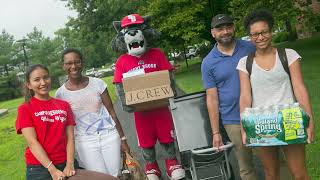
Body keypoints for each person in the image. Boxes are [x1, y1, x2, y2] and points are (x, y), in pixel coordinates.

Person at [201, 14, 293, 180]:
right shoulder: (208, 62)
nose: (225, 31)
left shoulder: (250, 47)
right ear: (213, 33)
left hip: (261, 114)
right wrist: (216, 132)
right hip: (232, 120)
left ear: (234, 28)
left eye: (228, 27)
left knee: (276, 162)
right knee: (246, 167)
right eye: (220, 29)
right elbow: (212, 98)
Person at [237, 9, 315, 180]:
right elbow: (245, 97)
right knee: (271, 174)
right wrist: (244, 128)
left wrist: (309, 120)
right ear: (250, 37)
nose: (260, 37)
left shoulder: (289, 55)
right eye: (255, 34)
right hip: (261, 124)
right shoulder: (245, 63)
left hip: (290, 120)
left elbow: (300, 88)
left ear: (271, 31)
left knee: (300, 173)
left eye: (264, 32)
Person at [112, 14, 185, 180]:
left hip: (161, 109)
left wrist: (171, 94)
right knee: (145, 140)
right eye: (128, 31)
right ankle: (151, 166)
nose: (132, 34)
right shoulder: (122, 61)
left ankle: (171, 162)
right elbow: (119, 85)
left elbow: (169, 76)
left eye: (137, 29)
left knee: (167, 135)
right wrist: (126, 104)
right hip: (141, 113)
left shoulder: (157, 54)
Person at [55, 48, 130, 177]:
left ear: (82, 63)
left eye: (77, 62)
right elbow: (64, 126)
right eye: (69, 63)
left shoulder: (98, 84)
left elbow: (112, 112)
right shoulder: (61, 94)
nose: (73, 66)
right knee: (99, 177)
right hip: (85, 141)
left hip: (109, 136)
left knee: (115, 174)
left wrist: (123, 140)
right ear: (63, 66)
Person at [16, 64, 77, 180]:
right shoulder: (25, 109)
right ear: (29, 85)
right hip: (39, 168)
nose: (43, 82)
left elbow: (70, 138)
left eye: (46, 77)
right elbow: (32, 142)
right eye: (37, 80)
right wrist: (52, 169)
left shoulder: (64, 105)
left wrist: (70, 164)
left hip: (66, 163)